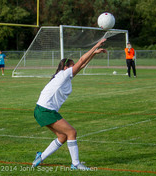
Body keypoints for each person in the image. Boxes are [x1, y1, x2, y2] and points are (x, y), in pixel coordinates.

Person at [32, 38, 107, 170]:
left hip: (42, 110)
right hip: (45, 110)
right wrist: (97, 45)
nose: (75, 68)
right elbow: (82, 61)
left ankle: (40, 157)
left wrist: (94, 53)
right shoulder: (63, 74)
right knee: (72, 132)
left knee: (62, 136)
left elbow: (82, 65)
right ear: (66, 67)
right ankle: (76, 164)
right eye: (73, 66)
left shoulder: (65, 76)